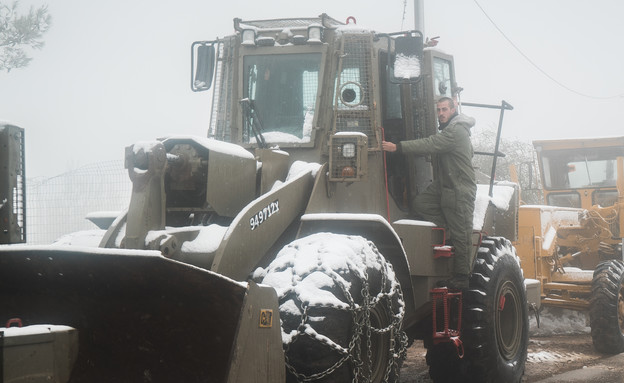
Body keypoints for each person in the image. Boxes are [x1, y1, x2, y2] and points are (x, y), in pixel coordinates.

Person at [382, 97, 476, 290]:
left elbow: (431, 143)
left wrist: (397, 147)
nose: (441, 113)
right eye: (438, 110)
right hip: (445, 185)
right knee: (421, 203)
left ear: (453, 109)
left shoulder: (456, 131)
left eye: (444, 110)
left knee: (462, 234)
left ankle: (462, 278)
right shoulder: (452, 129)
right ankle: (448, 225)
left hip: (459, 188)